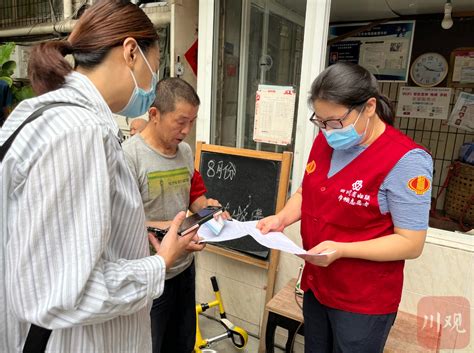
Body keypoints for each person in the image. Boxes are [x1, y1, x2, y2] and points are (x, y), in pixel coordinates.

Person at [0, 1, 197, 352]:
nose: (153, 84)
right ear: (131, 52)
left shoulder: (39, 114)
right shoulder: (79, 132)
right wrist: (159, 263)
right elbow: (60, 292)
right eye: (155, 68)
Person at [257, 62, 433, 353]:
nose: (327, 130)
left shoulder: (407, 161)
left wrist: (342, 249)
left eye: (335, 122)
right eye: (320, 121)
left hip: (362, 301)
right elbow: (307, 191)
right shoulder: (326, 141)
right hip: (317, 286)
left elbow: (411, 243)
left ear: (369, 107)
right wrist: (282, 218)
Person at [123, 77, 225, 353]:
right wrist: (171, 227)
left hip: (185, 268)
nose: (187, 130)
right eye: (181, 121)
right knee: (151, 345)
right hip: (151, 274)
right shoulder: (128, 158)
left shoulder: (185, 151)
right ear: (154, 114)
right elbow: (122, 223)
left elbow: (193, 196)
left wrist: (208, 209)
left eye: (192, 121)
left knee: (182, 343)